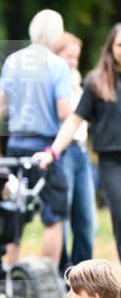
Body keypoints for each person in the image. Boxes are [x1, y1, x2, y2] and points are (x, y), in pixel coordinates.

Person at [35, 24, 121, 261]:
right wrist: (52, 152)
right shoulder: (97, 82)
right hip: (112, 161)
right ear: (111, 48)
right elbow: (73, 120)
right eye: (120, 45)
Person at [0, 9, 70, 266]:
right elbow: (63, 112)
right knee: (53, 215)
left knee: (16, 210)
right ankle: (49, 277)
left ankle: (7, 272)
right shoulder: (58, 65)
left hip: (15, 145)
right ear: (57, 34)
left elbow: (0, 109)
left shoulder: (13, 61)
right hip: (45, 149)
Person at [51, 31, 96, 267]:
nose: (72, 62)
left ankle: (83, 272)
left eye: (76, 57)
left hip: (81, 152)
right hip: (64, 153)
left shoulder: (78, 83)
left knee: (87, 219)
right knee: (63, 216)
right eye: (68, 56)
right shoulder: (56, 83)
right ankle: (63, 270)